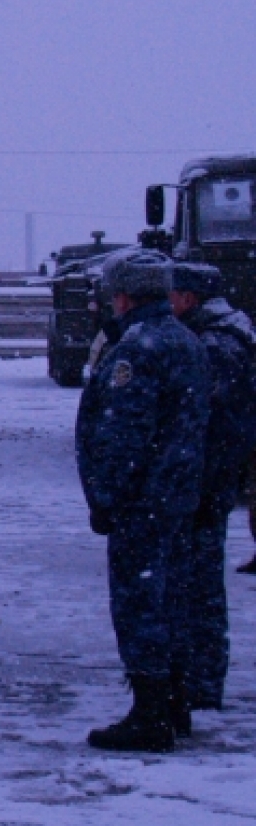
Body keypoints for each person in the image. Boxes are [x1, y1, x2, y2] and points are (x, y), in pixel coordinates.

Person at [76, 249, 210, 752]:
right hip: (176, 495)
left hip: (144, 501)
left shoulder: (139, 347)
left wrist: (108, 496)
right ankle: (174, 701)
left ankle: (151, 712)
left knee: (139, 603)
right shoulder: (185, 339)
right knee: (172, 597)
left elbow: (123, 434)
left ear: (124, 295)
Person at [167, 262, 256, 735]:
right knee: (195, 586)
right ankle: (198, 677)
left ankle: (203, 682)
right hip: (203, 482)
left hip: (205, 485)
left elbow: (219, 425)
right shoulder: (215, 336)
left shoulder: (219, 345)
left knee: (200, 588)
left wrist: (203, 483)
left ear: (189, 298)